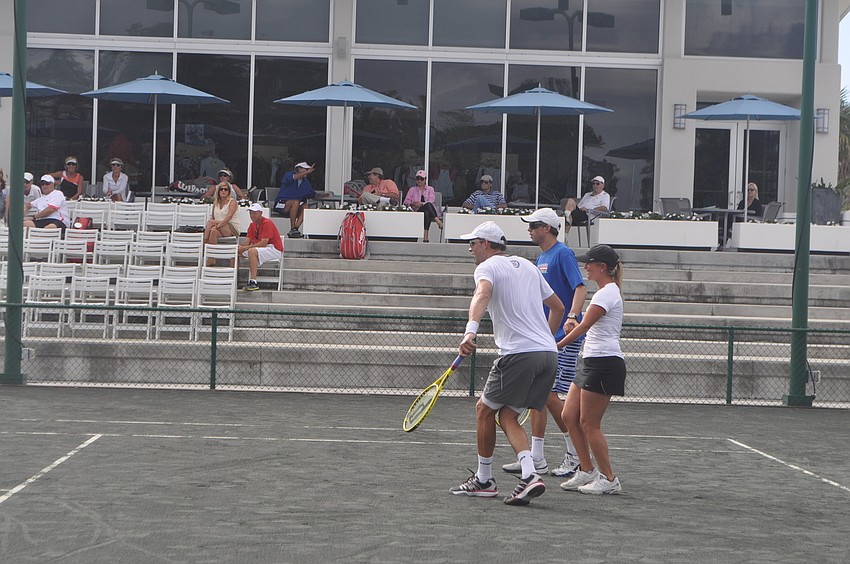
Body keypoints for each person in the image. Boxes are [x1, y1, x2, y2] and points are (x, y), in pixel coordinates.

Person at [451, 221, 565, 506]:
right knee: (507, 416)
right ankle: (529, 474)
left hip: (519, 354)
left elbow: (482, 294)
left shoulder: (486, 268)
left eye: (473, 243)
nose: (470, 248)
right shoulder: (528, 265)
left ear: (486, 245)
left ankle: (485, 480)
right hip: (548, 355)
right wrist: (543, 340)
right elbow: (558, 307)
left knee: (483, 410)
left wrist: (470, 331)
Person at [498, 208, 587, 479]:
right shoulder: (543, 257)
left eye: (534, 225)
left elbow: (580, 287)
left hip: (564, 337)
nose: (529, 229)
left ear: (547, 228)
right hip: (549, 337)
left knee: (549, 395)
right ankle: (537, 456)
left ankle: (576, 454)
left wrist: (571, 317)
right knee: (540, 394)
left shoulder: (562, 253)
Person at [557, 244, 625, 495]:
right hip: (591, 360)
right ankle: (587, 470)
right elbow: (585, 325)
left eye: (590, 263)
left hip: (604, 363)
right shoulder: (605, 292)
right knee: (568, 415)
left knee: (589, 423)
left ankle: (609, 479)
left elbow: (585, 326)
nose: (585, 267)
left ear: (602, 268)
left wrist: (557, 346)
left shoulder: (607, 293)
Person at [239, 202, 283, 291]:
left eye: (255, 213)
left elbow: (263, 243)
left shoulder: (267, 223)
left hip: (274, 248)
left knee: (252, 251)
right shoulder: (252, 225)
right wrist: (239, 248)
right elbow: (247, 241)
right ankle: (235, 277)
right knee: (236, 251)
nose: (252, 215)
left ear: (261, 213)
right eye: (251, 213)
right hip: (260, 248)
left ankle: (253, 281)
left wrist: (245, 248)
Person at [273, 162, 317, 239]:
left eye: (308, 169)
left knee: (305, 207)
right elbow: (293, 178)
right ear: (299, 168)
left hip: (294, 208)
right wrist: (307, 172)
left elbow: (312, 194)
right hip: (281, 204)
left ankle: (295, 229)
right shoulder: (288, 175)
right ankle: (293, 227)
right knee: (296, 202)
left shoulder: (305, 182)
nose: (308, 171)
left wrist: (321, 195)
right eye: (306, 169)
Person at [403, 169, 443, 242]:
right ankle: (438, 221)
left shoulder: (430, 189)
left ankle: (425, 236)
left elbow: (431, 200)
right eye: (417, 178)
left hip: (428, 211)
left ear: (425, 180)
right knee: (427, 207)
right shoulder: (412, 190)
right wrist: (413, 203)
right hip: (417, 211)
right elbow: (405, 202)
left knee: (427, 210)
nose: (419, 180)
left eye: (421, 179)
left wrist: (421, 204)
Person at [204, 181, 242, 255]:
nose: (223, 191)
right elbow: (214, 217)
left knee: (211, 222)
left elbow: (229, 217)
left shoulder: (232, 202)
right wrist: (216, 227)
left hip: (231, 228)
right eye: (221, 189)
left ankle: (204, 242)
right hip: (219, 227)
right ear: (218, 191)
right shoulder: (216, 203)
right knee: (213, 231)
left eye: (226, 189)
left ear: (229, 191)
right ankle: (211, 257)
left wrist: (217, 226)